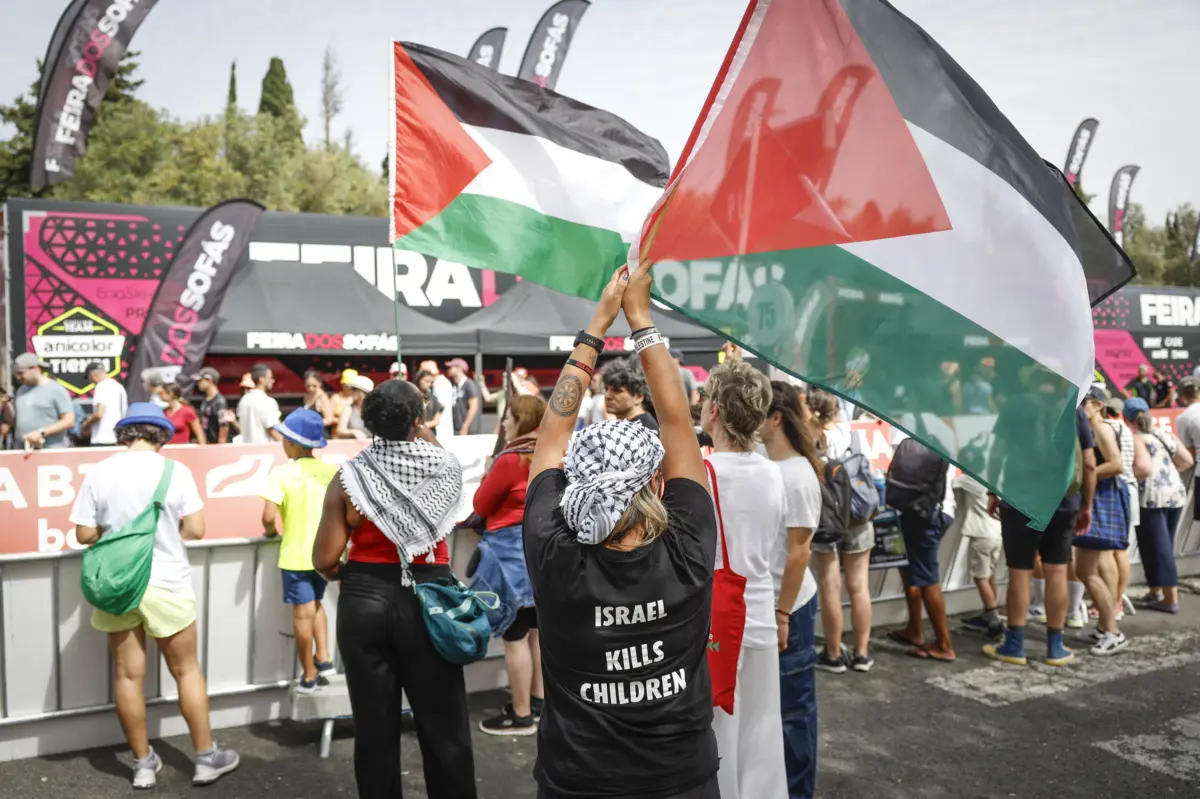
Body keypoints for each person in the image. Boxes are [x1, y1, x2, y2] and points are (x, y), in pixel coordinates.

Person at [523, 264, 720, 798]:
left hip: (578, 779)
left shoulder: (554, 551)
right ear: (655, 480)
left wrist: (597, 325)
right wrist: (639, 317)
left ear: (578, 481)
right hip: (682, 778)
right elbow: (677, 423)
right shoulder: (687, 546)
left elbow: (550, 440)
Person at [313, 379, 474, 798]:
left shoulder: (349, 477)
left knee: (373, 730)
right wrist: (418, 422)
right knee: (445, 729)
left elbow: (324, 560)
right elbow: (436, 451)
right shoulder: (443, 468)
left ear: (368, 422)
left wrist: (357, 577)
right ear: (418, 420)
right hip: (429, 599)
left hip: (364, 600)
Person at [69, 403, 239, 788]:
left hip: (118, 584)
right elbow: (195, 529)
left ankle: (143, 764)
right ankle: (206, 759)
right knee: (186, 670)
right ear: (161, 435)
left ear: (124, 434)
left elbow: (83, 534)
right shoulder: (175, 471)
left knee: (128, 675)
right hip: (167, 582)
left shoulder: (99, 472)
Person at [699, 358, 789, 798]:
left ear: (715, 409)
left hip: (715, 623)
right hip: (760, 616)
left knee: (719, 739)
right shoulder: (773, 473)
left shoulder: (703, 474)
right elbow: (776, 547)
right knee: (762, 737)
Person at [985, 377, 1097, 667]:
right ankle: (1055, 648)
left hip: (1020, 498)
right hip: (1064, 501)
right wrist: (1086, 505)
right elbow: (1089, 463)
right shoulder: (1073, 409)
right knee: (1057, 570)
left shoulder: (1014, 405)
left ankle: (1014, 646)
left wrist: (992, 492)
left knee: (1020, 571)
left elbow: (997, 452)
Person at [760, 380, 822, 799]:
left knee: (793, 711)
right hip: (772, 602)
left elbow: (799, 553)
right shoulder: (766, 462)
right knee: (775, 708)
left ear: (776, 417)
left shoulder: (798, 476)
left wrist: (782, 613)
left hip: (790, 607)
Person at [473, 394, 548, 736]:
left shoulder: (510, 459)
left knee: (514, 634)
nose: (503, 423)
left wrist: (487, 471)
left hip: (509, 553)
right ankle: (538, 703)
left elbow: (481, 504)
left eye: (508, 418)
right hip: (540, 550)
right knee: (536, 632)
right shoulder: (550, 453)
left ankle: (520, 715)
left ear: (522, 421)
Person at [261, 409, 338, 693]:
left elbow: (268, 517)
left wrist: (271, 532)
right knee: (317, 603)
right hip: (328, 555)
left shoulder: (281, 473)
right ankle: (325, 658)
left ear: (291, 443)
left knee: (303, 613)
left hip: (296, 556)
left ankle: (308, 673)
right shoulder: (332, 472)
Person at [807, 390, 874, 672]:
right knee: (859, 588)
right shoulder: (854, 435)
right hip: (858, 518)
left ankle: (833, 654)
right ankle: (862, 654)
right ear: (837, 409)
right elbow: (873, 474)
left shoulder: (810, 439)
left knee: (830, 588)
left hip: (827, 520)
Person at [1075, 390, 1132, 655]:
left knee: (1086, 571)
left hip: (1101, 499)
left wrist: (1086, 474)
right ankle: (1105, 627)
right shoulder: (1097, 427)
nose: (1079, 407)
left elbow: (1116, 464)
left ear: (1098, 405)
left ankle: (1112, 631)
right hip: (1100, 498)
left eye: (1084, 403)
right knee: (1094, 566)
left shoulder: (1100, 429)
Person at [1126, 398, 1192, 614]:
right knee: (1160, 545)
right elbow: (1187, 461)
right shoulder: (1165, 434)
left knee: (1155, 547)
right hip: (1175, 494)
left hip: (1150, 497)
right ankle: (1155, 591)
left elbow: (1142, 469)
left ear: (1127, 419)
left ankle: (1170, 598)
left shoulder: (1136, 439)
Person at [954, 472, 1005, 638]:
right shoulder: (997, 479)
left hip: (981, 534)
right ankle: (987, 615)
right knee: (989, 576)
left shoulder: (972, 479)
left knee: (980, 577)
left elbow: (953, 482)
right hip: (996, 534)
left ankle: (993, 621)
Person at [12, 352, 75, 450]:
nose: (18, 377)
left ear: (35, 369)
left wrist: (41, 433)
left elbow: (69, 421)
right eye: (16, 374)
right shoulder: (21, 390)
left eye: (21, 373)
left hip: (50, 450)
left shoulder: (55, 389)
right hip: (23, 449)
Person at [602, 354, 659, 433]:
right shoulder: (631, 425)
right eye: (606, 389)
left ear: (638, 397)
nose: (607, 396)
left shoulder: (642, 429)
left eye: (616, 390)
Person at [81, 362, 127, 446]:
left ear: (91, 374)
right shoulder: (119, 387)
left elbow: (99, 414)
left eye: (88, 378)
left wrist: (86, 424)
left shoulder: (101, 386)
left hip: (102, 438)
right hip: (118, 436)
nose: (90, 381)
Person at [236, 364, 281, 444]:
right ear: (261, 380)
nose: (273, 380)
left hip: (246, 450)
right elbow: (274, 432)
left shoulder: (243, 400)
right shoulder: (267, 401)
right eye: (270, 378)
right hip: (265, 451)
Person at [419, 360, 456, 441]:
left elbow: (438, 410)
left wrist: (424, 425)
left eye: (430, 381)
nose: (428, 384)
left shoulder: (441, 384)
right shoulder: (432, 387)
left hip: (439, 431)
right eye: (426, 381)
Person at [445, 358, 482, 435]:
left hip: (465, 429)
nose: (448, 370)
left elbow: (473, 407)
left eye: (451, 367)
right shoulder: (453, 385)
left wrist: (465, 427)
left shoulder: (469, 384)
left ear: (459, 368)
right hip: (453, 428)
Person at [192, 367, 229, 444]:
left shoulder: (219, 401)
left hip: (216, 445)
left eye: (200, 381)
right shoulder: (205, 399)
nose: (197, 383)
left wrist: (221, 446)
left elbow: (224, 425)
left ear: (209, 380)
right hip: (208, 444)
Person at [335, 375, 373, 440]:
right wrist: (354, 432)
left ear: (362, 392)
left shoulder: (375, 409)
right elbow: (339, 431)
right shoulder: (349, 408)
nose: (350, 392)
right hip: (354, 445)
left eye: (353, 389)